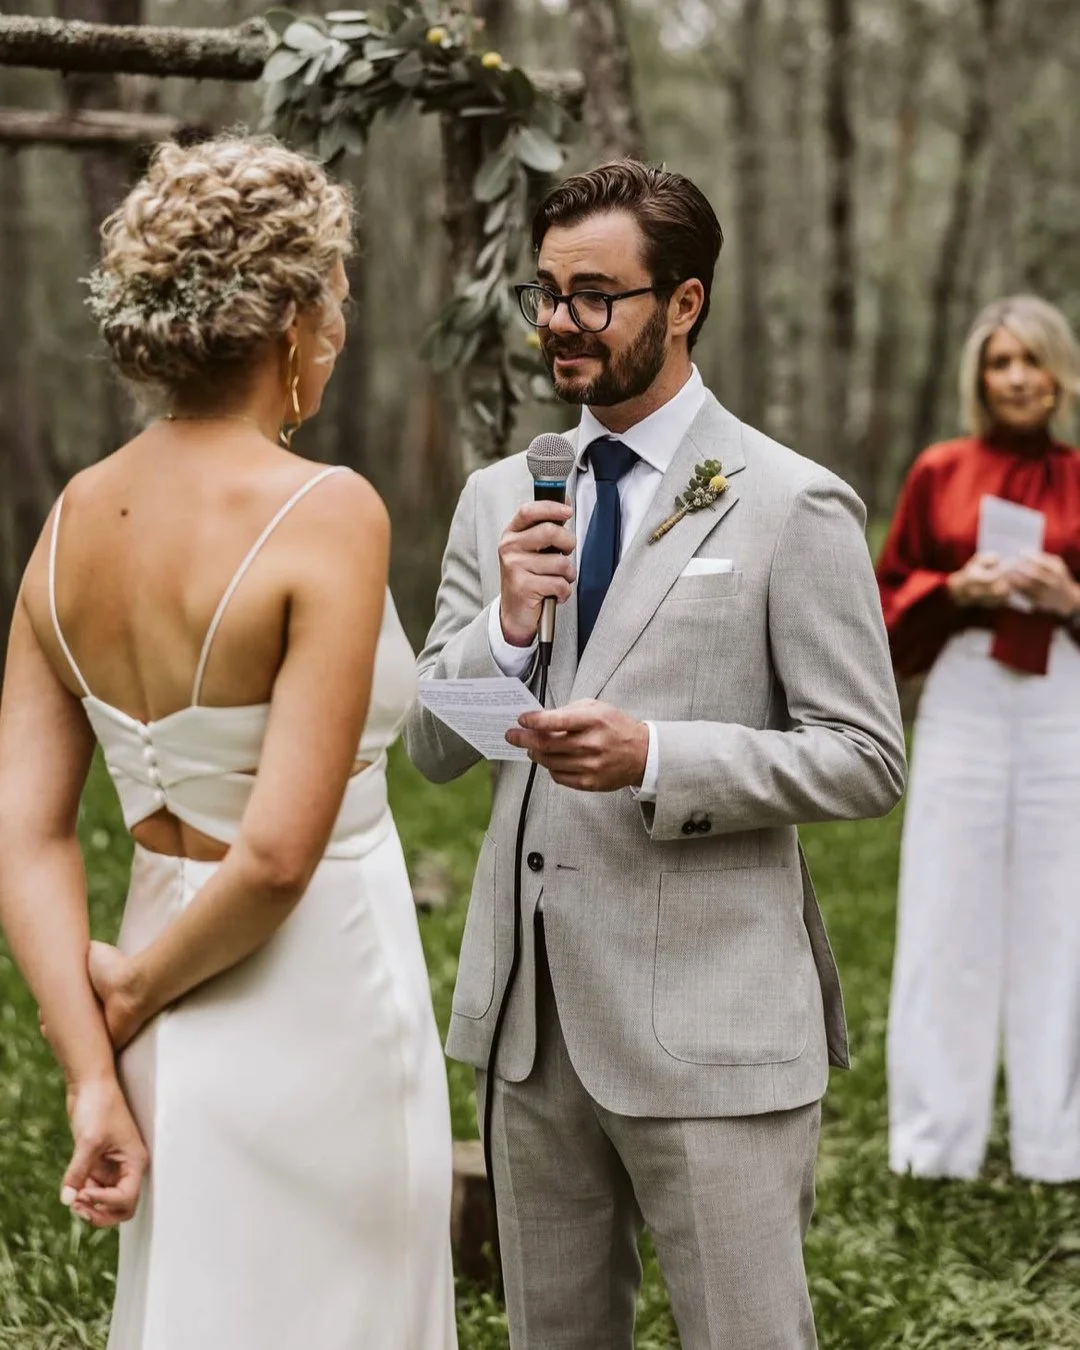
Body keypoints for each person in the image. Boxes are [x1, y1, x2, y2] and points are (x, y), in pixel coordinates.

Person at [405, 160, 905, 1350]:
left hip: (711, 1027)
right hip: (530, 1029)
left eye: (595, 295)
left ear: (683, 303)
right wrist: (504, 628)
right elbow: (430, 747)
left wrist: (659, 758)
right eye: (546, 293)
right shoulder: (499, 498)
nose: (559, 322)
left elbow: (864, 757)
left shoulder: (791, 503)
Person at [0, 135, 456, 1349]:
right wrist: (133, 993)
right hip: (320, 991)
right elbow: (275, 859)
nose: (340, 332)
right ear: (292, 319)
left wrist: (92, 1064)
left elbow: (27, 834)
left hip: (156, 989)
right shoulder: (327, 510)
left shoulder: (70, 521)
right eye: (337, 302)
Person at [878, 294, 1080, 1182]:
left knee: (1061, 917)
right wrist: (955, 589)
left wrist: (1070, 598)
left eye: (1031, 360)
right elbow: (885, 598)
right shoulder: (941, 470)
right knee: (944, 910)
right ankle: (934, 1144)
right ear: (980, 378)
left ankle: (1056, 1140)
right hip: (965, 697)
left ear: (1058, 375)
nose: (1017, 378)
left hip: (1061, 697)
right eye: (1001, 362)